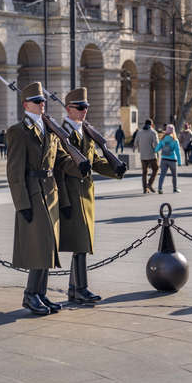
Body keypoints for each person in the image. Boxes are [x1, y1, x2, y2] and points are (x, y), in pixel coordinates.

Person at [6, 82, 91, 316]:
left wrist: (80, 167)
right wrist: (22, 204)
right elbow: (14, 172)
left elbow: (61, 160)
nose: (42, 104)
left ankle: (40, 294)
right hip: (33, 194)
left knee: (47, 247)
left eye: (43, 101)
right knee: (38, 247)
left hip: (51, 193)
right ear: (25, 105)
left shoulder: (50, 129)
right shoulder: (18, 131)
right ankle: (30, 295)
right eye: (37, 101)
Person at [55, 87, 125, 304]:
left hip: (86, 193)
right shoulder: (60, 132)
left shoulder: (86, 130)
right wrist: (65, 198)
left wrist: (115, 169)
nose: (84, 111)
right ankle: (80, 289)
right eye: (80, 107)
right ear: (69, 109)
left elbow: (94, 159)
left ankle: (75, 289)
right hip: (71, 193)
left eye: (86, 107)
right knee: (81, 243)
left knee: (82, 243)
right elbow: (61, 164)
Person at [133, 119, 159, 194]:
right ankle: (149, 184)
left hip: (143, 156)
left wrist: (138, 148)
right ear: (151, 124)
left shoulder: (139, 132)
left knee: (144, 172)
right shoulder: (153, 132)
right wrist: (156, 151)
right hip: (151, 155)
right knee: (156, 169)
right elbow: (156, 144)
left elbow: (135, 142)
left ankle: (145, 189)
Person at [155, 124, 181, 194]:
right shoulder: (175, 140)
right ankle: (175, 189)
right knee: (174, 175)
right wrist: (179, 162)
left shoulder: (163, 139)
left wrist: (155, 151)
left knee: (162, 175)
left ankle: (160, 189)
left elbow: (157, 149)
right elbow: (178, 151)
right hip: (173, 160)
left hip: (164, 159)